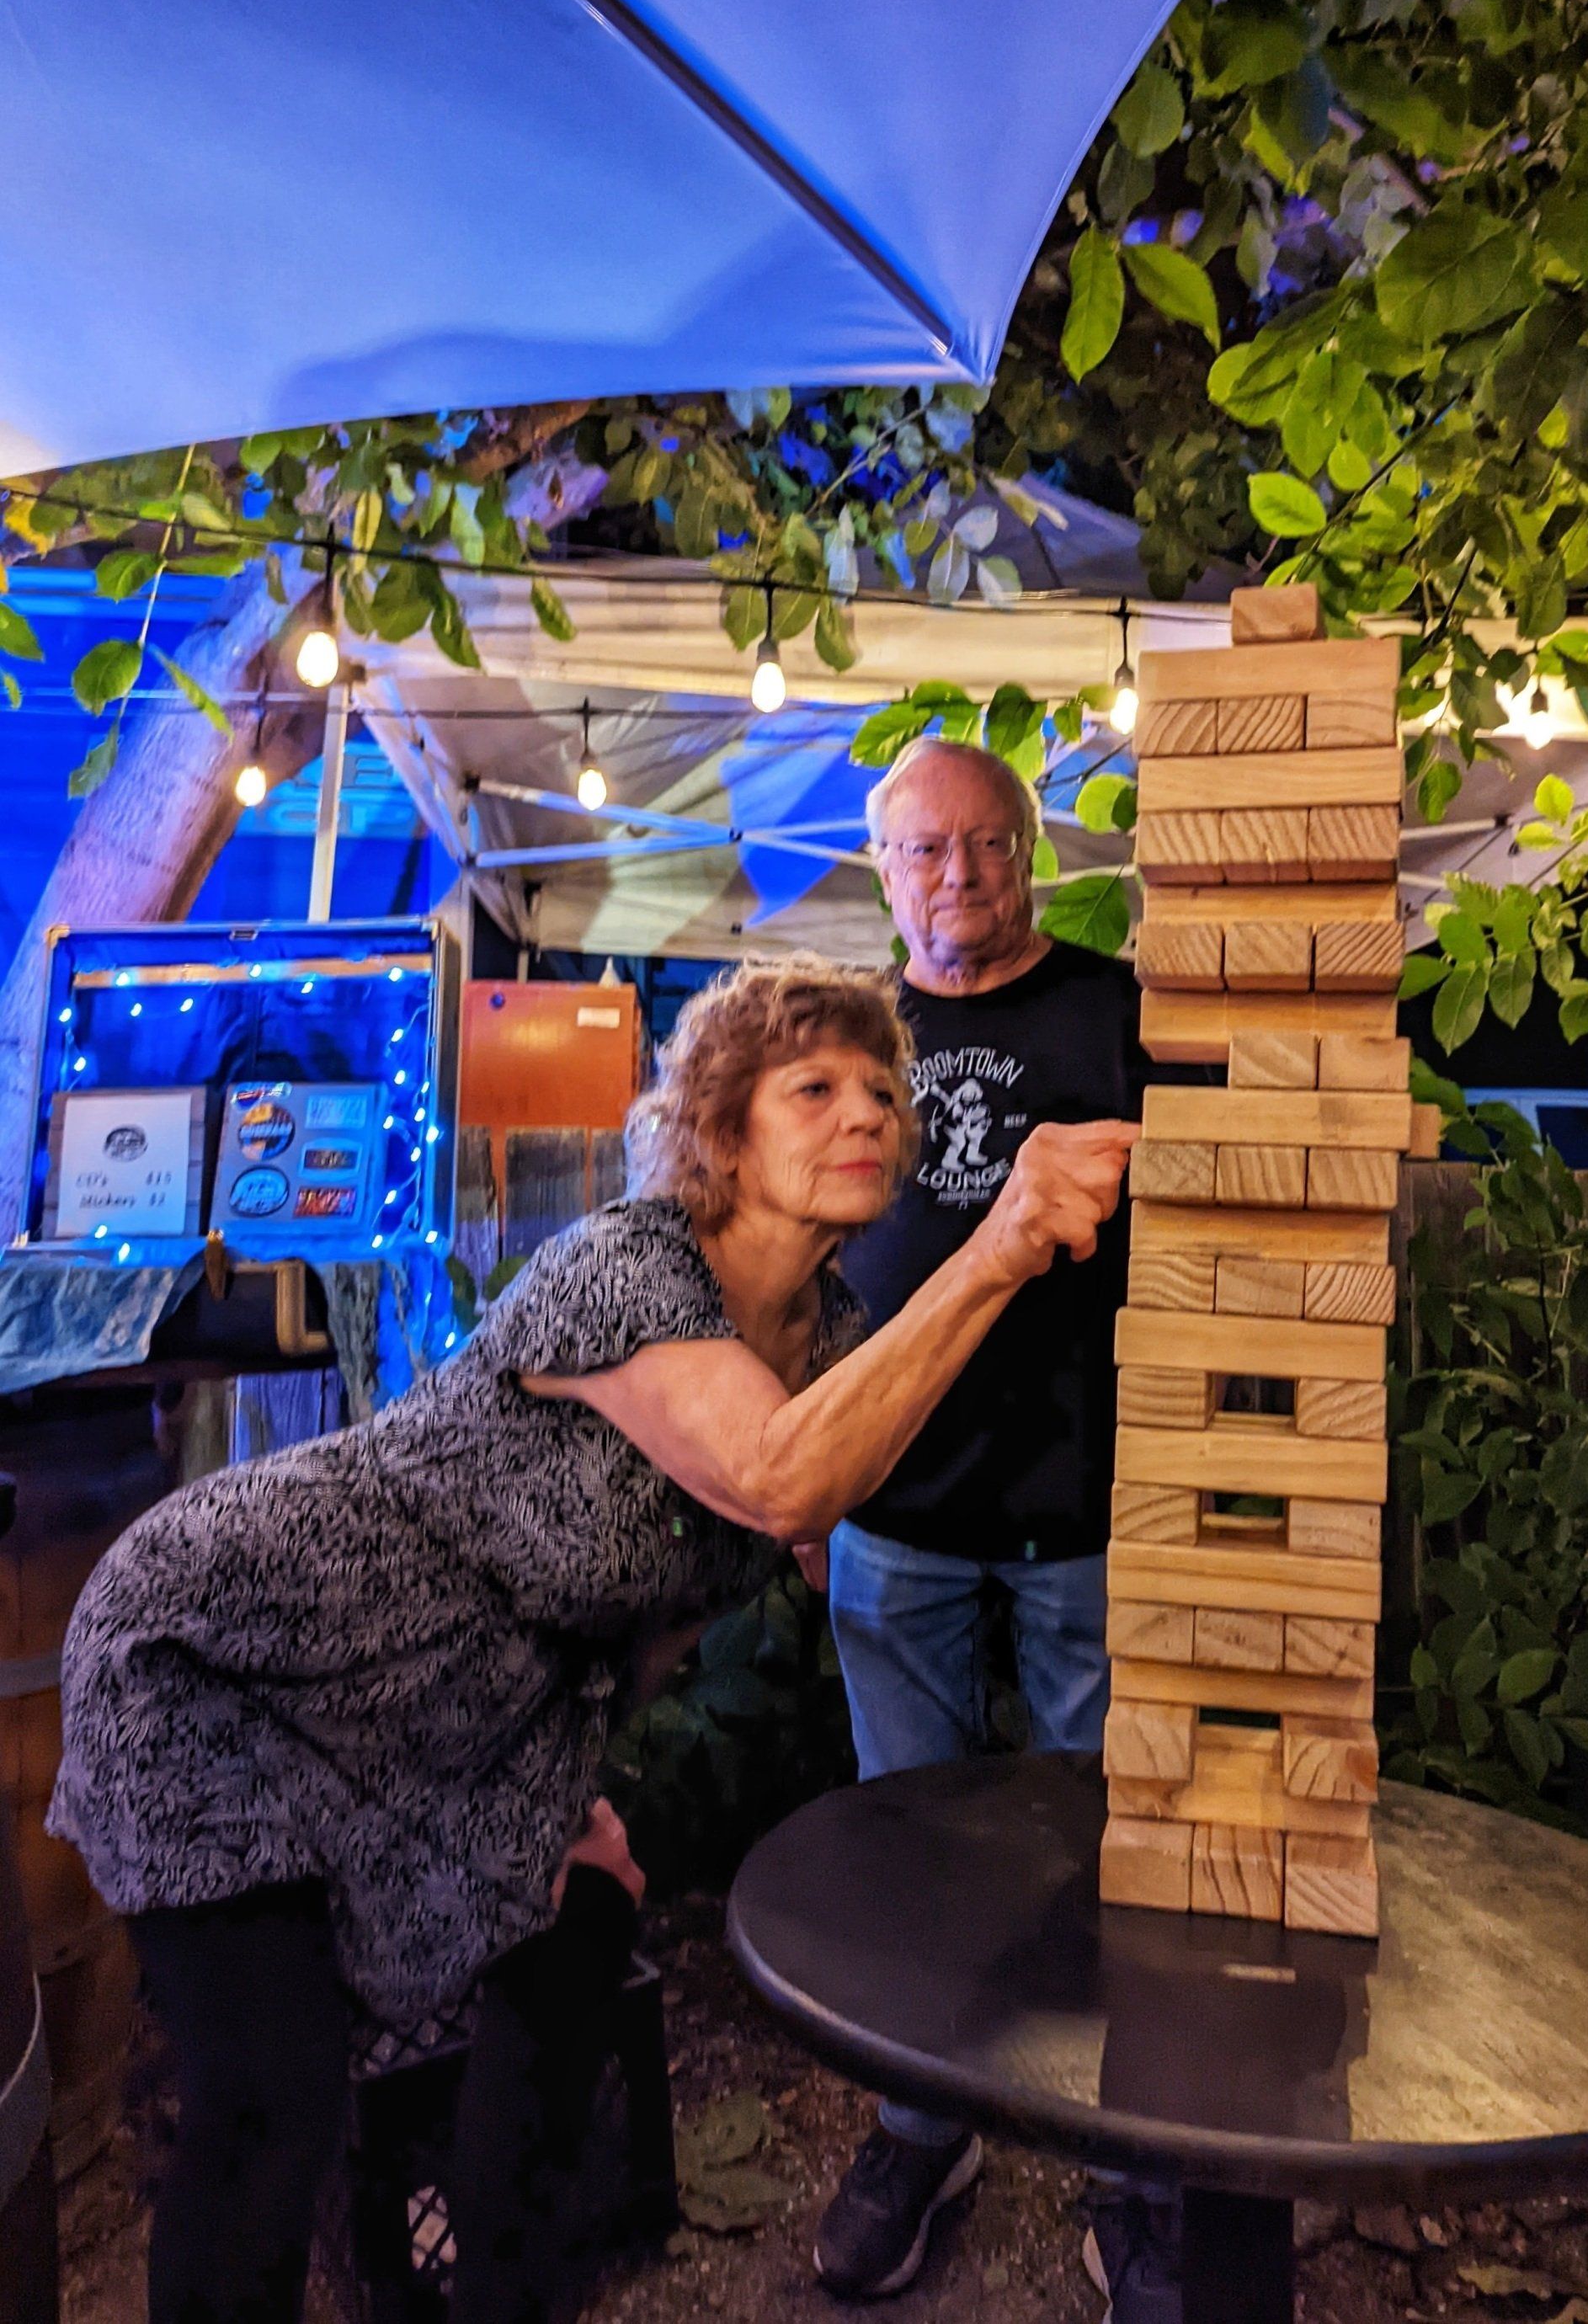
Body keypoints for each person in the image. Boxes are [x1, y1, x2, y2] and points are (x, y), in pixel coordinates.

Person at [49, 953, 1136, 2324]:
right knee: (273, 2090)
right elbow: (785, 1482)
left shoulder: (830, 1329)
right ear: (723, 1129)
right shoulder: (624, 1268)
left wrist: (570, 1787)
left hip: (445, 1712)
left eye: (881, 1088)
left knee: (580, 1928)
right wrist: (1003, 1244)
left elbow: (690, 1581)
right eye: (814, 1087)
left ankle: (507, 2296)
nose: (866, 1111)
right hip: (227, 1654)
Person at [813, 738, 1153, 2305]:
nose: (960, 877)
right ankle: (922, 2126)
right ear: (885, 872)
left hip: (1084, 1509)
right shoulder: (848, 1037)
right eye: (926, 853)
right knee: (914, 1846)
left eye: (989, 846)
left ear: (1032, 855)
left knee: (1111, 1844)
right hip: (897, 1523)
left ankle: (1131, 2155)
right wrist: (801, 1477)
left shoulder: (1111, 1010)